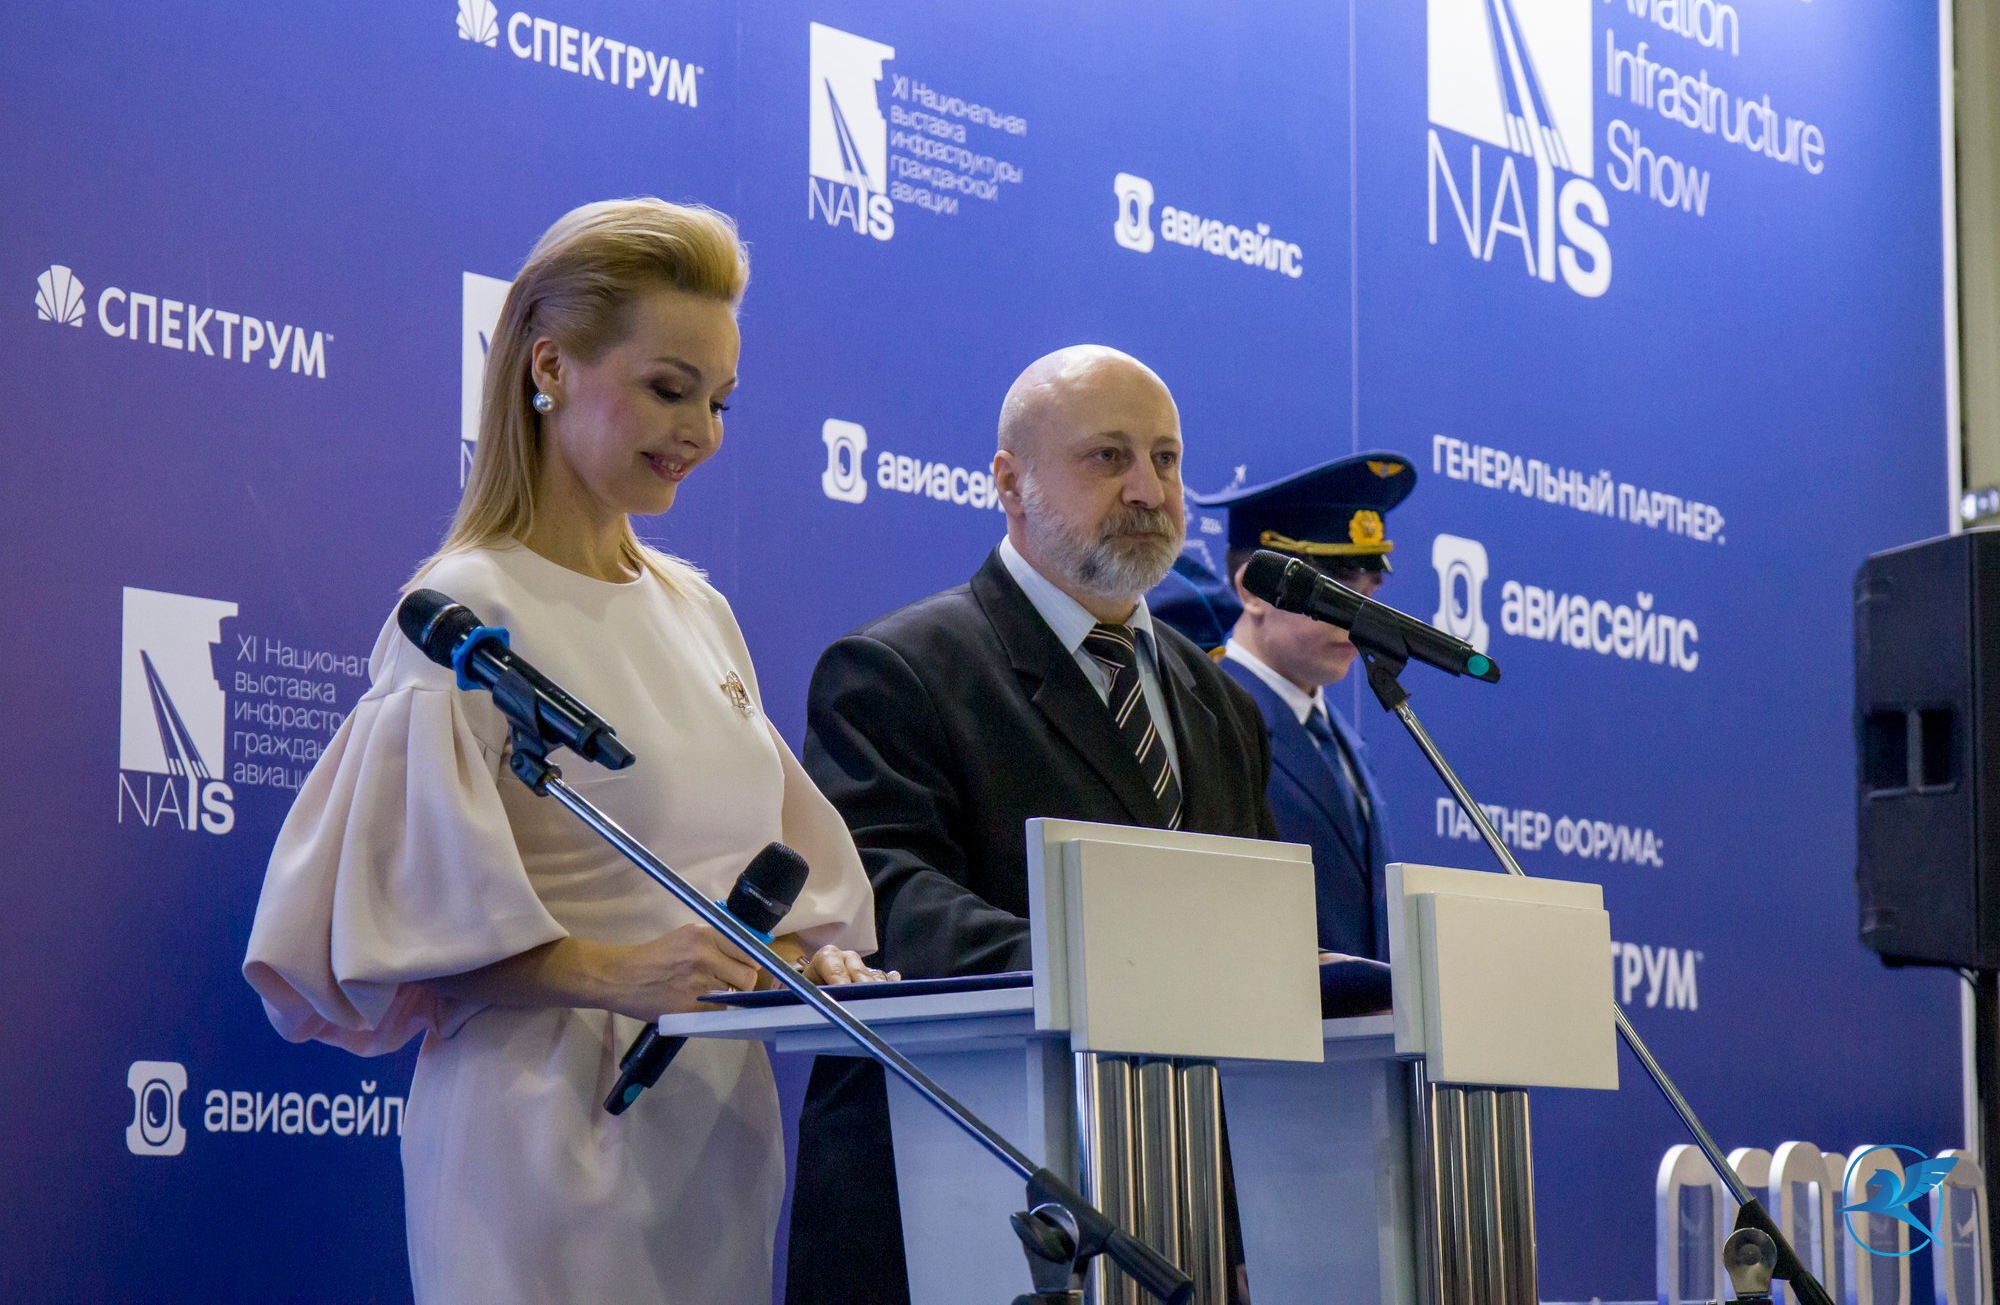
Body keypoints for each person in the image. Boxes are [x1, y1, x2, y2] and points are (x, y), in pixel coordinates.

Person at [241, 198, 886, 1305]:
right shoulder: (463, 612)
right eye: (669, 388)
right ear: (549, 366)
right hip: (537, 1136)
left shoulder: (699, 610)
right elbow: (390, 926)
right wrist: (615, 970)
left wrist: (798, 960)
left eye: (720, 400)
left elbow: (768, 874)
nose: (701, 432)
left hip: (716, 1137)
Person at [787, 344, 1276, 1305]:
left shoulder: (1220, 703)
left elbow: (1251, 920)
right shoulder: (898, 670)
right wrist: (1115, 963)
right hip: (957, 1189)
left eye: (1167, 459)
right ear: (1010, 482)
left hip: (1171, 1199)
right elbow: (883, 900)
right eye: (1109, 457)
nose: (1149, 490)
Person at [1152, 452, 1416, 960]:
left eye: (1369, 592)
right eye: (1336, 592)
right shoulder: (1200, 717)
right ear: (1254, 590)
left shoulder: (1342, 741)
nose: (1360, 617)